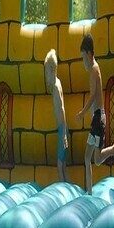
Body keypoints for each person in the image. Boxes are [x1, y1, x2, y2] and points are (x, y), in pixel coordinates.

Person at [76, 34, 114, 194]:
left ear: (89, 54)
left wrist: (82, 112)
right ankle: (89, 191)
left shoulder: (94, 69)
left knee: (95, 159)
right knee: (87, 157)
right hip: (96, 119)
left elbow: (94, 95)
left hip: (98, 120)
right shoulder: (94, 69)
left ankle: (113, 150)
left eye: (83, 57)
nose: (83, 62)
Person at [44, 50, 69, 182]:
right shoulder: (57, 82)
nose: (45, 74)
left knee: (59, 165)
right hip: (63, 127)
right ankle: (68, 189)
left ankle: (63, 189)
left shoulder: (55, 87)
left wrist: (64, 133)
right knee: (63, 164)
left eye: (46, 71)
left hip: (62, 128)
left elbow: (62, 109)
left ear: (52, 70)